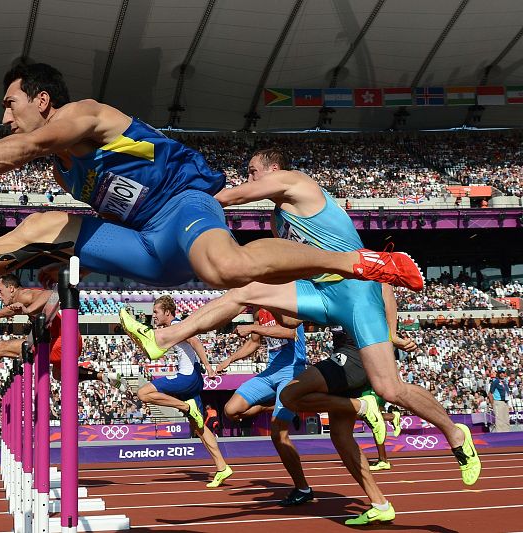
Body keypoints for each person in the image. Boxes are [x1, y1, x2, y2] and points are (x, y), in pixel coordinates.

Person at [0, 63, 423, 308]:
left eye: (10, 103)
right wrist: (81, 257)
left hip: (185, 207)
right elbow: (115, 211)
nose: (5, 116)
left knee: (226, 270)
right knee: (44, 228)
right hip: (147, 245)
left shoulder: (88, 115)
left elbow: (22, 147)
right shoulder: (65, 170)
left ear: (43, 99)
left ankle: (356, 261)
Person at [119, 149, 480, 487]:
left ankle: (454, 432)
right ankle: (162, 338)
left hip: (355, 291)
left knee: (389, 388)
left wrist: (184, 208)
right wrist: (277, 305)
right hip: (321, 294)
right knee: (243, 289)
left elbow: (235, 196)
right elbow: (290, 271)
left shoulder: (296, 181)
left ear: (273, 169)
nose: (248, 177)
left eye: (252, 171)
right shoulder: (279, 220)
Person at [279, 325, 407, 525]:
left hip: (354, 357)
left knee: (289, 394)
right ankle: (380, 504)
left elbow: (289, 322)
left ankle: (363, 406)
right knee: (341, 437)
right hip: (350, 356)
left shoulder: (361, 293)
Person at [0, 274, 124, 389]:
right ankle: (101, 377)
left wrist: (27, 310)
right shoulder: (20, 298)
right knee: (60, 375)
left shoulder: (25, 295)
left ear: (11, 288)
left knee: (0, 348)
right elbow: (8, 310)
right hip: (68, 340)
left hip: (64, 340)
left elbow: (51, 295)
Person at [214, 311, 312, 505]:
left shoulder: (283, 304)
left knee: (278, 434)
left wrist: (251, 327)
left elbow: (290, 332)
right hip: (270, 372)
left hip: (292, 370)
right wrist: (229, 359)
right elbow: (254, 343)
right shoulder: (259, 312)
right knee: (231, 410)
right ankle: (277, 406)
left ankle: (303, 488)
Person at [137, 296, 232, 488]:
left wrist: (209, 368)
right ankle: (222, 467)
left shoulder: (179, 325)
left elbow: (196, 343)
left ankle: (185, 407)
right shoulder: (170, 329)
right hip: (192, 378)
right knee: (198, 426)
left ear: (167, 312)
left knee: (143, 393)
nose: (153, 315)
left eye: (156, 312)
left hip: (188, 378)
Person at [489, 368, 511, 432]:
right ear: (498, 374)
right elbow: (490, 393)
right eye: (500, 373)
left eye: (503, 373)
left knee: (506, 419)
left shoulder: (505, 382)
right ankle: (500, 434)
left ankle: (507, 433)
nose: (502, 374)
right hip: (498, 402)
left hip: (505, 402)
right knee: (499, 420)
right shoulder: (495, 382)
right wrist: (493, 404)